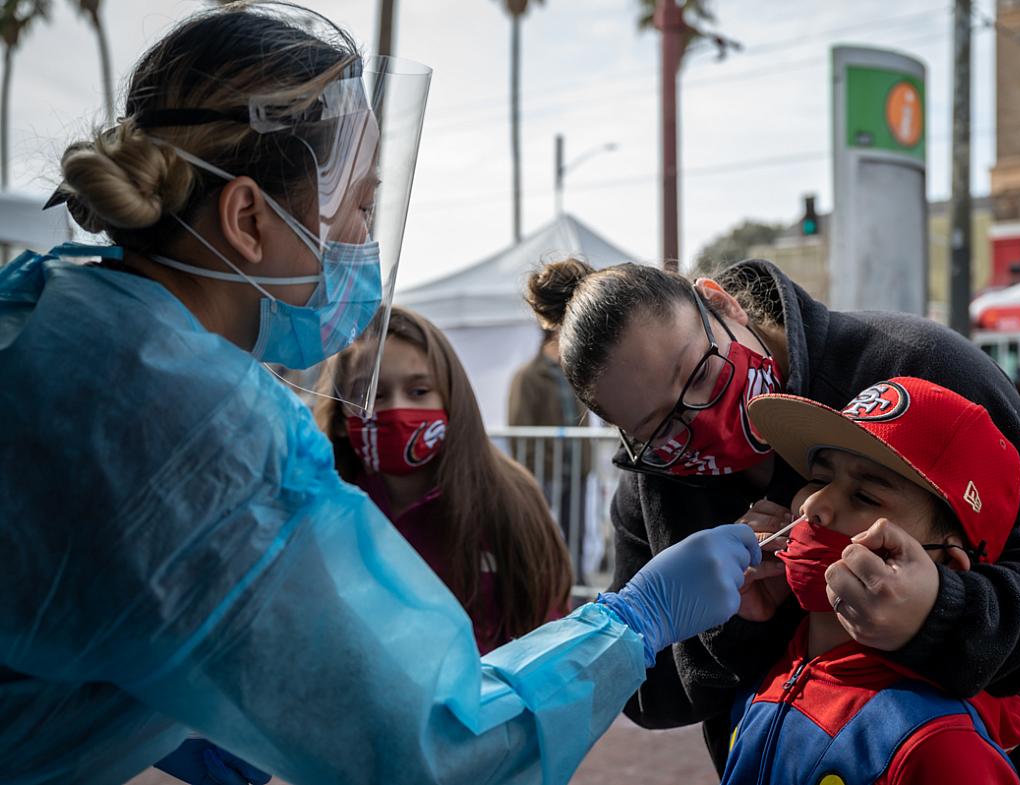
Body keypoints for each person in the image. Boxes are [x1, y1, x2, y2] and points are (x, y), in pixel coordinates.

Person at [0, 6, 764, 784]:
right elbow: (435, 748)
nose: (366, 239)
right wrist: (635, 620)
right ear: (247, 218)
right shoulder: (201, 432)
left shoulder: (47, 316)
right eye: (360, 207)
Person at [524, 257, 1020, 783]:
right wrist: (726, 630)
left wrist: (937, 612)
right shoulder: (651, 486)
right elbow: (648, 696)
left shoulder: (910, 364)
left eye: (700, 374)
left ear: (719, 303)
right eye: (664, 431)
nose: (703, 423)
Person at [723, 378, 1020, 784]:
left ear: (946, 567)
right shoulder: (783, 660)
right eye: (820, 478)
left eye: (866, 497)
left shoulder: (941, 744)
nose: (814, 505)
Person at [315, 307, 571, 654]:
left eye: (419, 391)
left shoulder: (509, 500)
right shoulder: (325, 510)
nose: (397, 409)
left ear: (451, 398)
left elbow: (547, 637)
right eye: (373, 395)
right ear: (343, 416)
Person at [507, 326, 594, 582]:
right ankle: (538, 585)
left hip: (576, 469)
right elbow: (518, 427)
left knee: (575, 534)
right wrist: (533, 469)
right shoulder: (527, 377)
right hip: (544, 472)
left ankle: (576, 587)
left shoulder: (573, 374)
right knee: (539, 534)